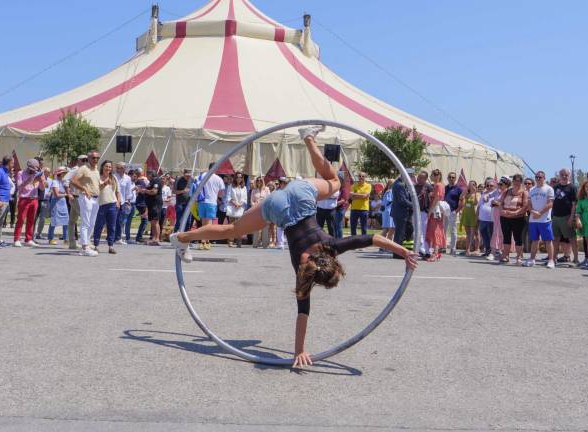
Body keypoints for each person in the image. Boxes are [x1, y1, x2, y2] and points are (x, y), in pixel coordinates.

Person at [170, 127, 418, 368]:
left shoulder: (332, 246)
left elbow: (371, 238)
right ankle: (181, 238)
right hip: (278, 209)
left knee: (333, 180)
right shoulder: (303, 268)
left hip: (301, 195)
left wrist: (405, 252)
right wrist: (299, 350)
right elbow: (303, 312)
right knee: (230, 231)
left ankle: (308, 138)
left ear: (333, 263)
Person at [69, 151, 101, 257]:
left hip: (95, 198)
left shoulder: (96, 169)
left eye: (97, 158)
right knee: (85, 222)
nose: (95, 160)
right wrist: (84, 189)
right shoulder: (83, 168)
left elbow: (96, 184)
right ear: (88, 158)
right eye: (93, 157)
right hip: (86, 197)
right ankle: (84, 247)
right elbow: (73, 180)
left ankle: (86, 244)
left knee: (92, 223)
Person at [526, 171, 556, 269]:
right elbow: (529, 204)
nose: (538, 179)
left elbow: (550, 203)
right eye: (537, 177)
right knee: (534, 240)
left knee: (548, 240)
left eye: (540, 177)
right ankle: (532, 259)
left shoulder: (549, 189)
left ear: (544, 178)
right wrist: (533, 212)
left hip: (545, 219)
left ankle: (551, 260)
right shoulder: (532, 190)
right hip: (533, 219)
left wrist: (540, 213)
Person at [12, 159, 44, 247]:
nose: (33, 171)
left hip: (34, 199)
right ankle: (16, 239)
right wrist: (29, 179)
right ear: (28, 167)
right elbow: (19, 186)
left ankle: (28, 239)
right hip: (24, 199)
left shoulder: (38, 174)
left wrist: (40, 180)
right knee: (21, 219)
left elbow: (42, 188)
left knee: (31, 220)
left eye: (35, 170)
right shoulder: (21, 173)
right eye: (32, 170)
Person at [194, 163, 226, 250]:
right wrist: (216, 196)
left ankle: (203, 241)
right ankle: (206, 241)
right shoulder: (219, 179)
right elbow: (221, 193)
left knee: (203, 223)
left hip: (201, 201)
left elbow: (195, 184)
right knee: (209, 223)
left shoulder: (202, 176)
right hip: (212, 202)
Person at [92, 160, 121, 254]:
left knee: (112, 226)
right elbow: (96, 190)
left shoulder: (114, 178)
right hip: (101, 205)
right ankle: (96, 245)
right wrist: (104, 183)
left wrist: (118, 201)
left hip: (112, 204)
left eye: (109, 167)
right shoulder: (98, 178)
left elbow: (117, 191)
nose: (108, 168)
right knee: (99, 226)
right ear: (102, 167)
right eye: (106, 166)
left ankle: (111, 246)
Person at [499, 174, 529, 265]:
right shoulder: (507, 191)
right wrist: (502, 211)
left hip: (518, 218)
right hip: (505, 218)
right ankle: (506, 256)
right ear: (513, 181)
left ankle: (519, 257)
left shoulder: (524, 192)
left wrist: (516, 213)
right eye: (515, 180)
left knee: (518, 238)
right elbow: (500, 203)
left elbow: (525, 206)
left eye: (519, 181)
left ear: (521, 182)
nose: (517, 182)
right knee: (506, 237)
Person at [552, 169, 578, 265]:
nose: (564, 176)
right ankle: (553, 258)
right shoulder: (555, 187)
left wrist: (572, 217)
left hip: (567, 216)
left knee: (572, 238)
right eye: (562, 174)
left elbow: (574, 204)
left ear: (569, 175)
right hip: (555, 216)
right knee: (555, 239)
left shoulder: (572, 187)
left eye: (566, 175)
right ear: (559, 175)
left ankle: (576, 259)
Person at [64, 155, 87, 250]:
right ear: (78, 161)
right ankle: (85, 243)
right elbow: (65, 179)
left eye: (86, 159)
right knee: (85, 219)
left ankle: (72, 243)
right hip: (76, 197)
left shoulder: (86, 169)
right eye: (83, 160)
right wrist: (68, 193)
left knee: (72, 221)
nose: (85, 161)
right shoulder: (75, 169)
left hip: (81, 197)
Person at [425, 169, 446, 261]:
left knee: (435, 232)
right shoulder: (440, 185)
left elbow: (437, 199)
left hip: (435, 210)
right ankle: (434, 252)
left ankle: (435, 253)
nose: (431, 177)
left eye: (432, 175)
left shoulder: (438, 185)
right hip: (437, 211)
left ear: (437, 176)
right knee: (434, 231)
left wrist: (430, 211)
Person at [391, 169, 415, 249]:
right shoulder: (399, 185)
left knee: (401, 233)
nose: (411, 178)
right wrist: (414, 205)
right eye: (411, 176)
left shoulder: (401, 184)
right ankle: (397, 252)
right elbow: (402, 200)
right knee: (399, 233)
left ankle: (398, 251)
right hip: (400, 213)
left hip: (400, 213)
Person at [114, 162, 135, 245]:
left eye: (121, 168)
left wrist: (128, 201)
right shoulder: (113, 176)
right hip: (113, 200)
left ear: (124, 169)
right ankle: (113, 237)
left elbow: (128, 191)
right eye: (117, 168)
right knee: (113, 220)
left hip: (122, 201)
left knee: (119, 220)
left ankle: (118, 237)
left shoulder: (127, 178)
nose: (119, 170)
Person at [48, 167, 69, 245]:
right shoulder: (55, 182)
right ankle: (50, 238)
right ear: (60, 174)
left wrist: (65, 193)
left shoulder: (64, 182)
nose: (65, 174)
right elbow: (56, 194)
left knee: (66, 220)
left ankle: (66, 239)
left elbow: (66, 191)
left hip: (63, 202)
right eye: (64, 173)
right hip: (56, 202)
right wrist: (66, 194)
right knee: (54, 221)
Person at [226, 172, 248, 247]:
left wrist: (240, 204)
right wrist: (234, 203)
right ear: (235, 178)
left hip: (240, 208)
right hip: (232, 207)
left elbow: (245, 199)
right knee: (231, 225)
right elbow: (228, 197)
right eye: (238, 177)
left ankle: (239, 241)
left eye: (240, 177)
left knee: (239, 225)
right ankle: (231, 241)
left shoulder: (244, 187)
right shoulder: (231, 186)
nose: (239, 178)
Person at [443, 172, 463, 255]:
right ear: (447, 178)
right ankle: (443, 247)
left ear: (455, 179)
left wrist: (456, 211)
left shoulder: (458, 189)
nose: (451, 179)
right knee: (443, 230)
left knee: (453, 231)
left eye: (453, 177)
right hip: (444, 211)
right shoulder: (445, 188)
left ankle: (452, 248)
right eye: (450, 177)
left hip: (453, 212)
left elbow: (462, 201)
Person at [478, 179, 498, 258]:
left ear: (495, 186)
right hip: (482, 218)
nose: (489, 187)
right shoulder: (483, 194)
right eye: (487, 185)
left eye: (491, 185)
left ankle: (493, 251)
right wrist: (477, 216)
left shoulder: (496, 194)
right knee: (484, 235)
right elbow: (479, 206)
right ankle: (487, 250)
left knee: (491, 235)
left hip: (491, 218)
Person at [143, 169, 163, 246]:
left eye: (147, 175)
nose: (146, 177)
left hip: (156, 204)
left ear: (151, 174)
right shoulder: (151, 181)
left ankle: (157, 238)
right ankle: (154, 238)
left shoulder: (156, 180)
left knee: (155, 221)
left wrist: (145, 191)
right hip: (151, 204)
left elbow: (154, 191)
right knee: (152, 222)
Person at [250, 176, 271, 248]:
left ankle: (265, 244)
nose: (259, 182)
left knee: (265, 227)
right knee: (256, 227)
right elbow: (251, 201)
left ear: (263, 181)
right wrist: (255, 205)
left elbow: (269, 200)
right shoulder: (254, 190)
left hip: (265, 210)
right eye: (258, 180)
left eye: (260, 180)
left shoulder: (267, 189)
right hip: (256, 210)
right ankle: (255, 243)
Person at [459, 181, 479, 256]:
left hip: (474, 215)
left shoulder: (477, 194)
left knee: (475, 233)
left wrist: (475, 192)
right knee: (468, 234)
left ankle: (477, 249)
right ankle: (467, 250)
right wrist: (467, 188)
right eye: (470, 184)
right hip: (467, 214)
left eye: (474, 184)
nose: (472, 186)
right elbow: (461, 197)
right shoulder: (467, 194)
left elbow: (476, 203)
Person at [34, 167, 52, 241]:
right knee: (35, 217)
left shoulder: (51, 180)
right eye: (46, 171)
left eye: (49, 172)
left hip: (46, 200)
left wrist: (50, 193)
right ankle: (32, 233)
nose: (47, 173)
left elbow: (51, 189)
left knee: (43, 218)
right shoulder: (39, 179)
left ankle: (39, 233)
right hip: (38, 199)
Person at [173, 169, 193, 233]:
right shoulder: (178, 180)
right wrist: (183, 191)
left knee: (188, 220)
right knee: (179, 220)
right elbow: (174, 191)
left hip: (189, 203)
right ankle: (176, 234)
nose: (188, 177)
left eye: (189, 176)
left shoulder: (192, 180)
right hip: (180, 203)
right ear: (183, 174)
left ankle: (186, 236)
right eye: (187, 176)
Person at [133, 168, 150, 243]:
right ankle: (139, 237)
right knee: (144, 220)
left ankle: (139, 236)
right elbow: (141, 191)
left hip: (141, 202)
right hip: (142, 203)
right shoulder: (140, 181)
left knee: (144, 220)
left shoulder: (139, 181)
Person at [332, 171, 348, 239]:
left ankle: (340, 240)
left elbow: (343, 200)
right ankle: (335, 239)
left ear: (342, 179)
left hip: (340, 209)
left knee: (338, 225)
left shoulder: (343, 189)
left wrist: (333, 204)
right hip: (334, 209)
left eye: (339, 178)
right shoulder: (335, 188)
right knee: (334, 225)